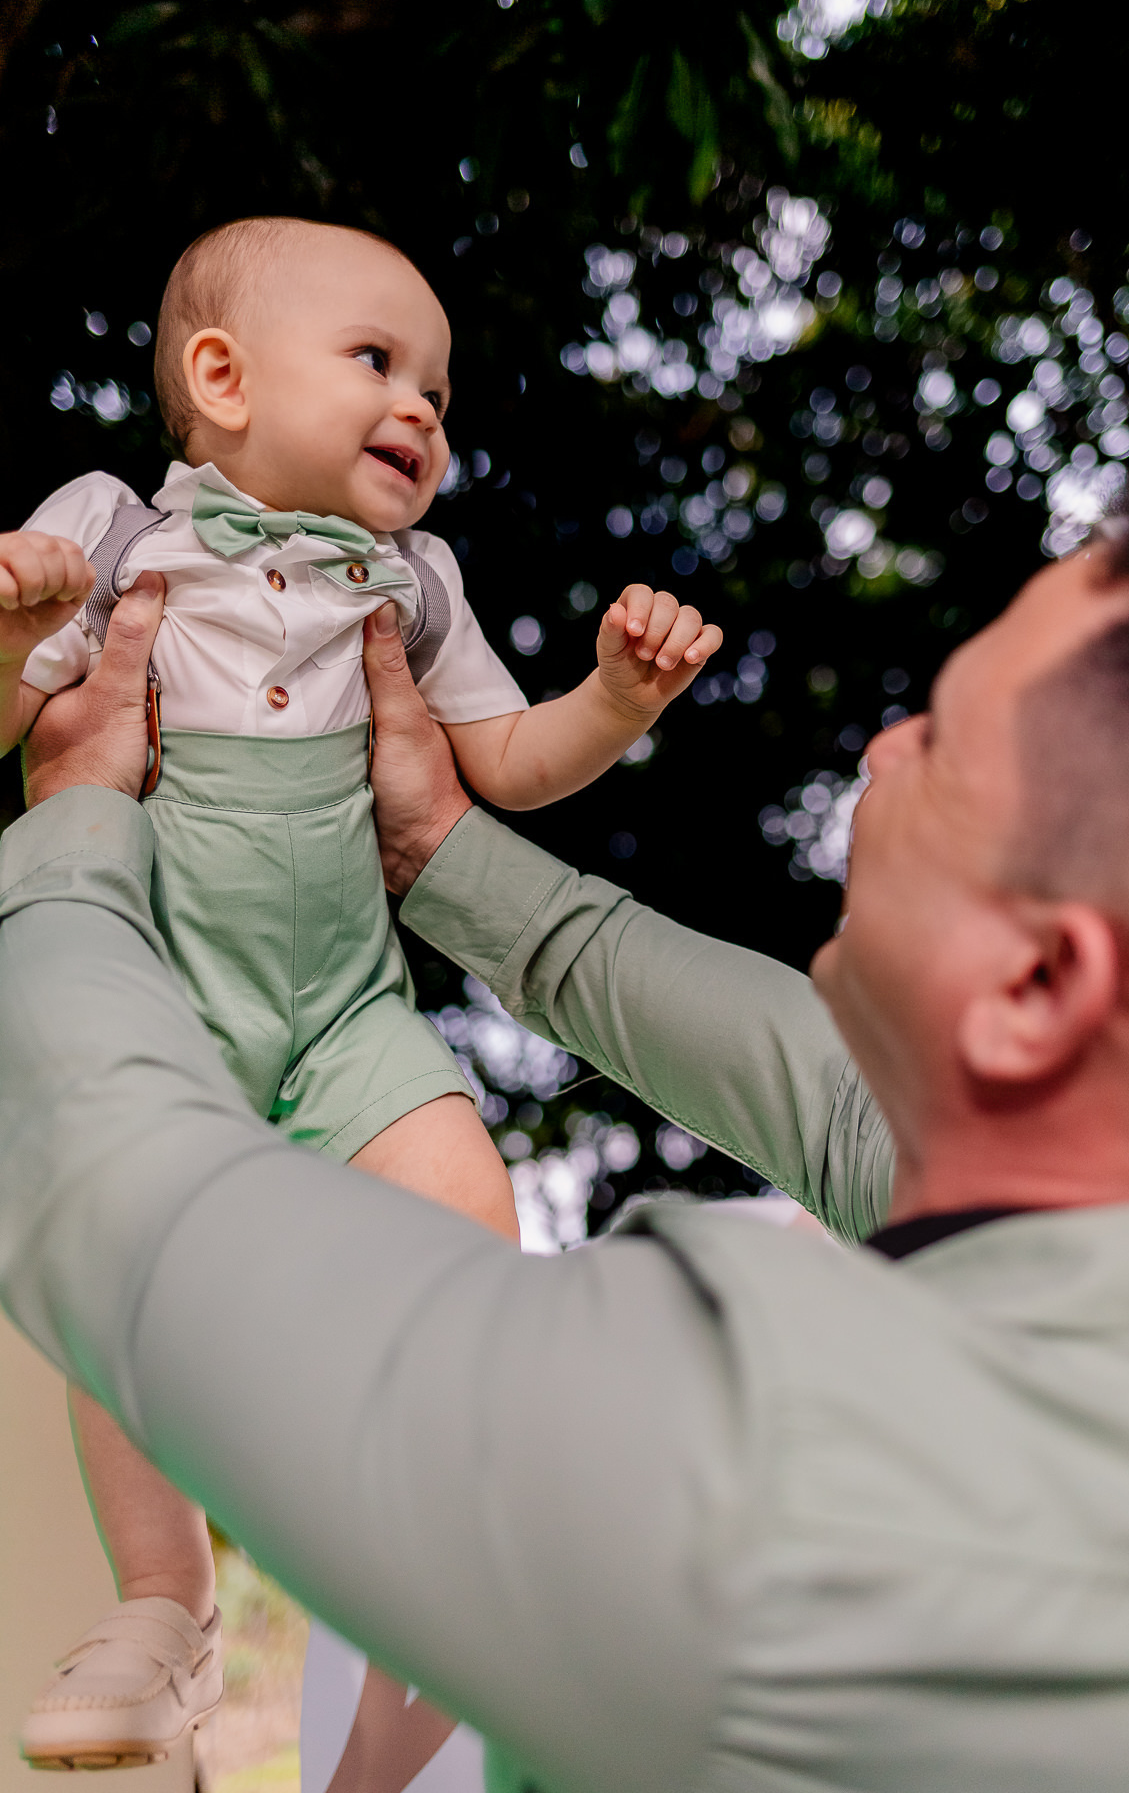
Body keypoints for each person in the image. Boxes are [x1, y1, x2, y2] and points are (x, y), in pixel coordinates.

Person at [6, 438, 1129, 1789]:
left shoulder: (776, 1477)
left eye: (945, 736)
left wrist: (73, 823)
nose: (883, 742)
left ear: (1042, 982)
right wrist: (438, 847)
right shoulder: (1095, 1256)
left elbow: (112, 1188)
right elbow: (754, 1052)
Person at [0, 216, 720, 1773]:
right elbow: (16, 730)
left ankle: (426, 1595)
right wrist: (9, 635)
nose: (425, 411)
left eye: (443, 394)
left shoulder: (417, 582)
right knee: (116, 1296)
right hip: (160, 1006)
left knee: (472, 1222)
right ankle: (163, 1605)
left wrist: (615, 699)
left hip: (342, 1009)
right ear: (222, 378)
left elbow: (505, 766)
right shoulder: (119, 533)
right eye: (381, 364)